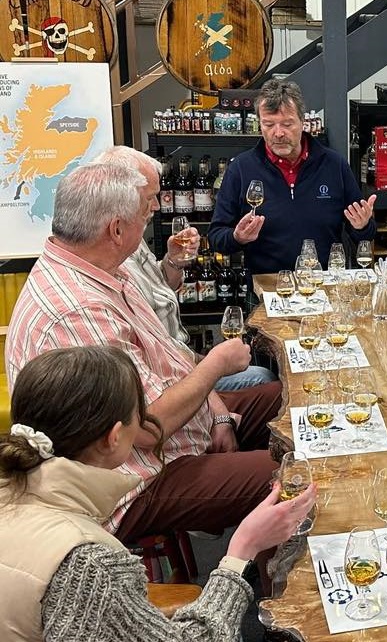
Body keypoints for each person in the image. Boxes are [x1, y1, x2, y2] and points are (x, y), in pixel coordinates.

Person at [4, 163, 283, 574]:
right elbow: (149, 428)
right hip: (133, 481)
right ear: (116, 230)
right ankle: (274, 592)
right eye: (144, 213)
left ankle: (263, 559)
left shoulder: (105, 270)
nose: (152, 216)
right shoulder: (79, 310)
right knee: (289, 474)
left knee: (286, 400)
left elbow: (171, 356)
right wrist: (218, 363)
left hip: (171, 437)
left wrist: (220, 412)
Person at [0, 345, 316, 642]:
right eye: (142, 418)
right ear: (114, 437)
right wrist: (240, 551)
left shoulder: (16, 494)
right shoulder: (90, 568)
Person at [93, 145, 277, 391]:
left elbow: (160, 287)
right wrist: (213, 367)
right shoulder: (109, 259)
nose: (158, 206)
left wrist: (172, 262)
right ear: (121, 195)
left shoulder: (130, 239)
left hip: (182, 357)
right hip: (173, 376)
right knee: (265, 379)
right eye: (150, 197)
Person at [209, 79, 377, 274]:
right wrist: (237, 237)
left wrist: (363, 226)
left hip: (323, 284)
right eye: (268, 124)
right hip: (266, 287)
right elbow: (216, 237)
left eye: (287, 124)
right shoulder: (240, 168)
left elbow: (366, 234)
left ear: (303, 122)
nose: (278, 133)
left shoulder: (334, 165)